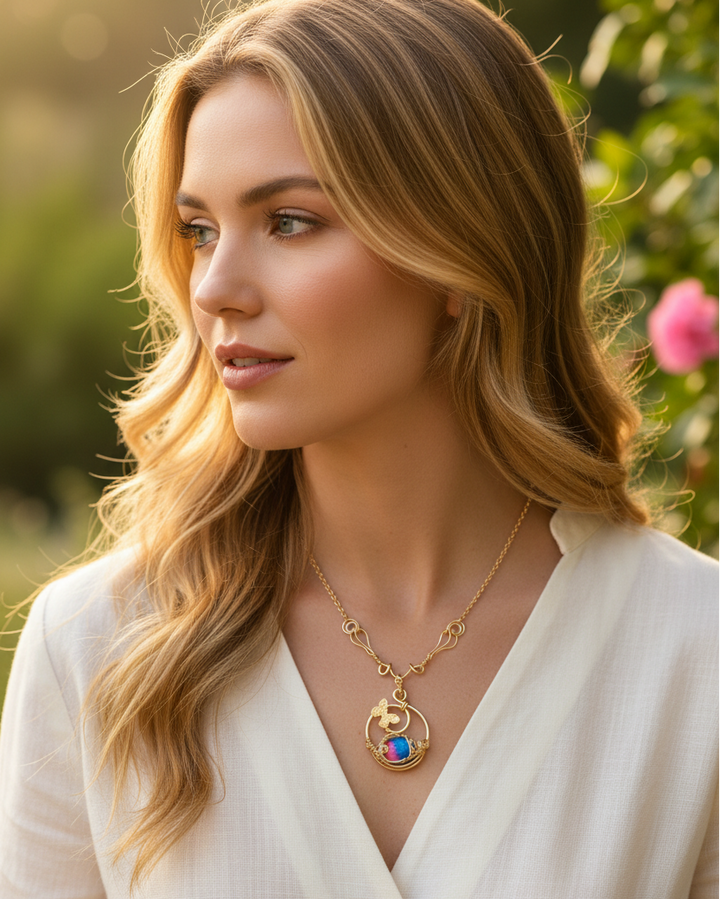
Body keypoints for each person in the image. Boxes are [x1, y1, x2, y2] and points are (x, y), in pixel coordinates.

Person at [1, 0, 719, 895]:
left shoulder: (694, 648)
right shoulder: (97, 647)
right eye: (199, 230)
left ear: (459, 252)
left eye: (290, 221)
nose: (215, 287)